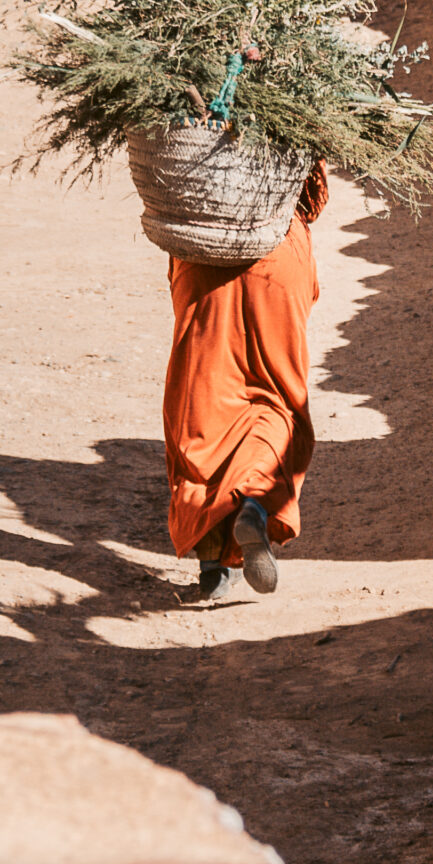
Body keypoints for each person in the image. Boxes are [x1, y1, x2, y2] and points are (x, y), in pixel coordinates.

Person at [161, 161, 328, 600]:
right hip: (277, 253)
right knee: (274, 398)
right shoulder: (296, 100)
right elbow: (313, 193)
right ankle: (254, 499)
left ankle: (213, 563)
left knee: (204, 402)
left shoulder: (182, 105)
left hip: (201, 250)